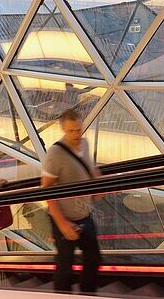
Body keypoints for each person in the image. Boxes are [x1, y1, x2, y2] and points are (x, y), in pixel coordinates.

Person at [41, 108, 101, 294]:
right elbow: (47, 189)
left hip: (84, 215)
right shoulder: (55, 153)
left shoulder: (85, 144)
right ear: (63, 130)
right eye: (71, 131)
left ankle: (87, 294)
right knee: (65, 266)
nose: (76, 134)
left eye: (79, 129)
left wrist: (100, 184)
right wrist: (62, 223)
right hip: (65, 219)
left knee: (94, 258)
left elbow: (90, 168)